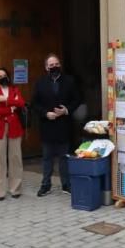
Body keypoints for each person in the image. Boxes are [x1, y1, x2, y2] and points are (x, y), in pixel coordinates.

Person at [31, 54, 82, 197]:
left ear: (60, 65)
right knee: (47, 158)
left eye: (56, 64)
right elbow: (34, 104)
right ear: (46, 67)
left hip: (63, 126)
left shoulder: (69, 81)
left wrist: (66, 110)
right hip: (47, 126)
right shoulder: (40, 83)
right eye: (51, 65)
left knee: (64, 157)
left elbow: (77, 99)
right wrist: (45, 113)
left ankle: (66, 184)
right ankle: (45, 185)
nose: (54, 67)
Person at [0, 67, 26, 201]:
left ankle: (16, 189)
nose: (2, 77)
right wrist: (11, 108)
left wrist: (5, 101)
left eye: (4, 75)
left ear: (8, 77)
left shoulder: (15, 90)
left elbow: (21, 103)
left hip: (14, 127)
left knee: (16, 157)